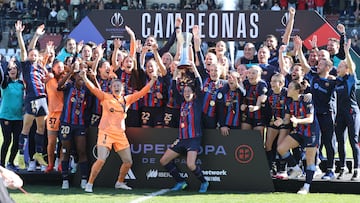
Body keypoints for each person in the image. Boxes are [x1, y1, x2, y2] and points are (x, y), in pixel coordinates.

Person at [82, 68, 157, 193]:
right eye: (114, 86)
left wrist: (152, 81)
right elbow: (93, 89)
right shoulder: (105, 97)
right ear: (111, 88)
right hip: (105, 132)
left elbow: (142, 92)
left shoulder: (127, 100)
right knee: (101, 159)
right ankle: (89, 184)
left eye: (119, 86)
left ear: (122, 88)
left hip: (120, 134)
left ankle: (120, 182)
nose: (116, 87)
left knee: (128, 162)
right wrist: (84, 77)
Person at [159, 62, 209, 193]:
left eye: (189, 91)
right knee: (164, 160)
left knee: (190, 164)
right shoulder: (181, 102)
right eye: (185, 91)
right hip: (182, 139)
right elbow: (173, 87)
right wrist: (175, 72)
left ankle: (204, 182)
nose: (186, 93)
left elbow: (199, 83)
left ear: (193, 93)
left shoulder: (197, 102)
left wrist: (194, 69)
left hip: (194, 138)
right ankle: (181, 182)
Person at [15, 21, 49, 170]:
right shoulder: (26, 65)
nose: (33, 56)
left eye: (35, 54)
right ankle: (21, 155)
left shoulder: (41, 68)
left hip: (42, 99)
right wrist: (20, 34)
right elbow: (24, 48)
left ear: (38, 57)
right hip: (31, 99)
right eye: (31, 54)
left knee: (41, 128)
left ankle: (38, 154)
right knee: (26, 128)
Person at [277, 81, 317, 195]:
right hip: (299, 132)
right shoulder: (289, 102)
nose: (287, 89)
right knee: (281, 148)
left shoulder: (306, 100)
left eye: (289, 87)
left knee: (310, 161)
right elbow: (287, 119)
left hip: (311, 133)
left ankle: (306, 186)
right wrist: (282, 121)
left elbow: (310, 119)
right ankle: (295, 168)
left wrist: (298, 121)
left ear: (297, 90)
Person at [57, 61, 89, 190]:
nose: (81, 79)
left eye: (83, 77)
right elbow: (59, 86)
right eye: (79, 76)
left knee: (81, 150)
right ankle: (65, 179)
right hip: (66, 123)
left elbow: (97, 91)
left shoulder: (87, 89)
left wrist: (90, 78)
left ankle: (84, 179)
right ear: (75, 77)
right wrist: (70, 72)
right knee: (65, 150)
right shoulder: (69, 86)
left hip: (80, 124)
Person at [335, 39, 360, 181]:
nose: (339, 67)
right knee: (340, 141)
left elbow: (351, 65)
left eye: (341, 66)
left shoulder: (351, 78)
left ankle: (356, 169)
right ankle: (342, 168)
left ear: (347, 69)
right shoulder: (336, 80)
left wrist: (346, 52)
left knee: (353, 140)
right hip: (340, 114)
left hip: (352, 112)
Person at [0, 61, 24, 171]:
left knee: (16, 141)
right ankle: (2, 164)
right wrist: (5, 65)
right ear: (7, 72)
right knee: (7, 140)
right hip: (6, 116)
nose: (12, 70)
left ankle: (11, 162)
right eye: (10, 69)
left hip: (18, 117)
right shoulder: (4, 83)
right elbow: (2, 76)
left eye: (14, 68)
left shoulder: (21, 84)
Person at [45, 60, 65, 173]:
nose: (60, 69)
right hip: (52, 114)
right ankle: (50, 163)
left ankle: (61, 164)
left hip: (63, 114)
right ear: (53, 68)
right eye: (58, 67)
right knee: (51, 142)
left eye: (61, 67)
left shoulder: (66, 80)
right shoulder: (49, 79)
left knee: (63, 141)